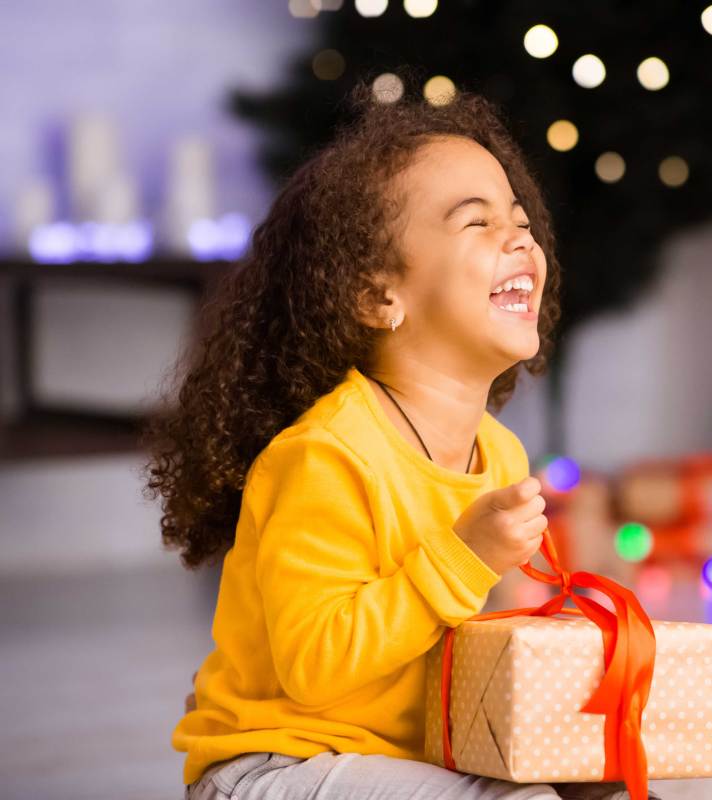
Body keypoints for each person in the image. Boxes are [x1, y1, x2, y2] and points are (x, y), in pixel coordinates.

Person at [143, 74, 656, 800]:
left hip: (415, 760)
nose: (519, 237)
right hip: (276, 766)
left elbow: (503, 641)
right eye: (476, 222)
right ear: (380, 296)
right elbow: (314, 668)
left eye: (519, 218)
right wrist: (463, 556)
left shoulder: (498, 455)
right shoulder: (326, 456)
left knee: (607, 786)